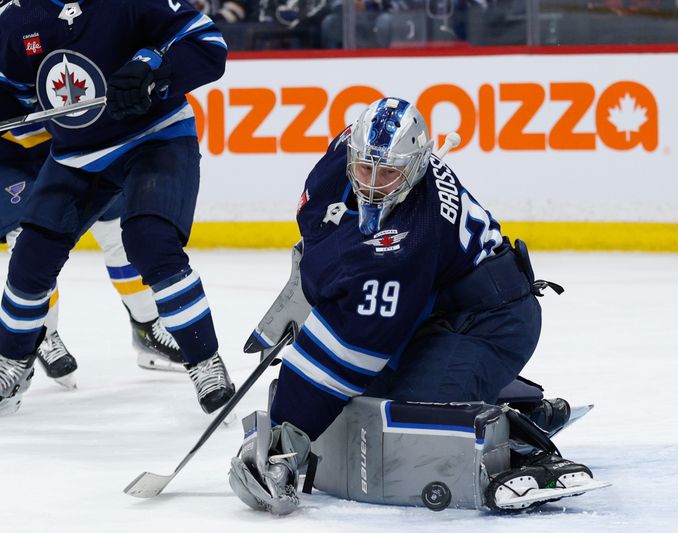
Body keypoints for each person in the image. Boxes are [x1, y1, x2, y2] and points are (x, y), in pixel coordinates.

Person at [227, 97, 603, 514]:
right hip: (436, 309)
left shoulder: (411, 238)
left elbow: (351, 351)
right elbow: (319, 228)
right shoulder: (349, 148)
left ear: (417, 166)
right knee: (366, 401)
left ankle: (520, 442)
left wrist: (284, 436)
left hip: (491, 321)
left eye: (388, 172)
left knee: (407, 424)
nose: (371, 183)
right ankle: (508, 400)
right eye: (365, 167)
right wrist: (308, 294)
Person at [0, 0, 235, 416]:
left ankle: (204, 360)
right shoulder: (16, 18)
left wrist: (155, 70)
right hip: (76, 154)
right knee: (30, 256)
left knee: (150, 240)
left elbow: (208, 44)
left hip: (155, 136)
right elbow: (16, 95)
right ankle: (13, 361)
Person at [0, 131, 183, 389]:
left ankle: (147, 326)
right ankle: (41, 334)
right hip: (12, 158)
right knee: (28, 241)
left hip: (73, 143)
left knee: (118, 231)